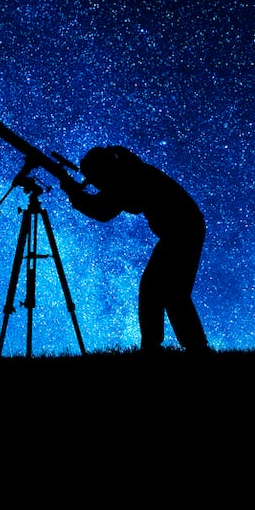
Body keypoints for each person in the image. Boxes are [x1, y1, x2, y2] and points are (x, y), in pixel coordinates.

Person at [61, 145, 210, 355]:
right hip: (184, 228)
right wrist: (79, 194)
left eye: (93, 178)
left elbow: (103, 211)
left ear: (102, 169)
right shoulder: (127, 170)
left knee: (161, 290)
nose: (94, 184)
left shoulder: (124, 176)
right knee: (169, 291)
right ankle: (187, 345)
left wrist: (75, 195)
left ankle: (165, 346)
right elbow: (106, 202)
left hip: (182, 230)